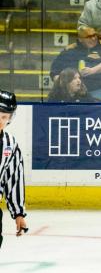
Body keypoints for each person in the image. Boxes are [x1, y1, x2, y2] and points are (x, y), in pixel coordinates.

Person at [49, 25, 101, 101]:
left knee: (96, 103)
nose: (93, 38)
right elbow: (54, 71)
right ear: (80, 39)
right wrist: (63, 84)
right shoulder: (69, 51)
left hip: (96, 90)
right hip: (73, 92)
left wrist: (92, 70)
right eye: (89, 36)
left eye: (94, 35)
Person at [0, 89, 27, 249]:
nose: (0, 120)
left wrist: (18, 213)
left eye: (4, 117)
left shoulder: (10, 145)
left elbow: (13, 180)